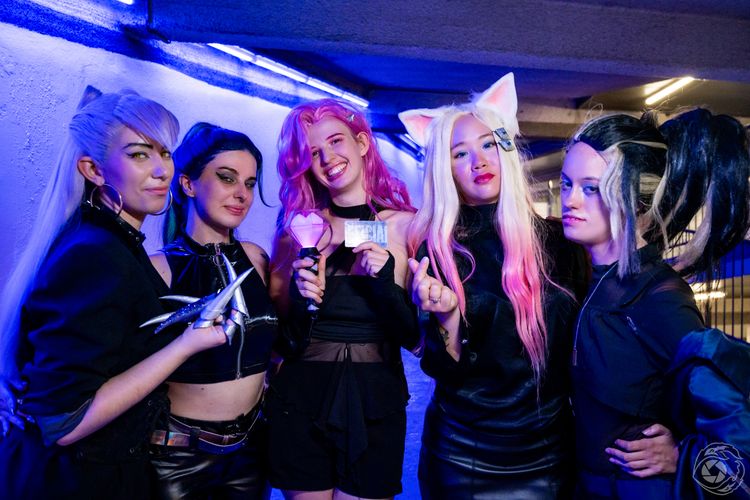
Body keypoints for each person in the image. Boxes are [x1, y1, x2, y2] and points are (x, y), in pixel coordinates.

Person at [0, 87, 227, 499]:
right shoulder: (97, 254)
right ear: (94, 169)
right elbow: (62, 422)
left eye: (165, 153)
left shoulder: (114, 241)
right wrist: (185, 346)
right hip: (74, 482)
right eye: (139, 154)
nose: (161, 170)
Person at [400, 73, 587, 499]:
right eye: (459, 153)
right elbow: (443, 369)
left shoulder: (562, 242)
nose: (478, 162)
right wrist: (447, 316)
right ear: (445, 169)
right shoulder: (437, 249)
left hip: (548, 452)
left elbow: (585, 350)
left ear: (506, 148)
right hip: (462, 453)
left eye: (488, 145)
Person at [559, 108, 750, 498]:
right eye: (566, 184)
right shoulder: (594, 278)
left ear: (636, 200)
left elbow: (738, 426)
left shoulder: (660, 299)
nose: (570, 200)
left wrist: (683, 456)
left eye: (591, 188)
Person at [267, 98, 419, 499]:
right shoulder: (298, 230)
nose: (328, 158)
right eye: (314, 151)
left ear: (362, 143)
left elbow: (414, 338)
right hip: (301, 401)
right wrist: (301, 297)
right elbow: (283, 343)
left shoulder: (406, 225)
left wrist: (385, 281)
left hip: (376, 402)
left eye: (336, 141)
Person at [148, 123, 276, 499]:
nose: (242, 194)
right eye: (226, 178)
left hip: (250, 452)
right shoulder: (158, 268)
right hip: (176, 458)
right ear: (188, 184)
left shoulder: (257, 259)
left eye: (250, 183)